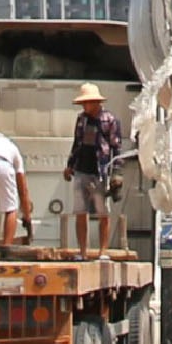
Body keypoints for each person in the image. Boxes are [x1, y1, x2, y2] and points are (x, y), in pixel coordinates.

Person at [62, 90, 126, 253]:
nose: (85, 106)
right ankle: (83, 250)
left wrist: (116, 172)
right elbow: (77, 143)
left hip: (100, 169)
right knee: (80, 211)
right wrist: (70, 165)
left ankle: (102, 250)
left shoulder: (109, 119)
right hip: (82, 168)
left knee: (102, 211)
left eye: (87, 103)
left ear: (96, 102)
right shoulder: (81, 119)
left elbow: (116, 147)